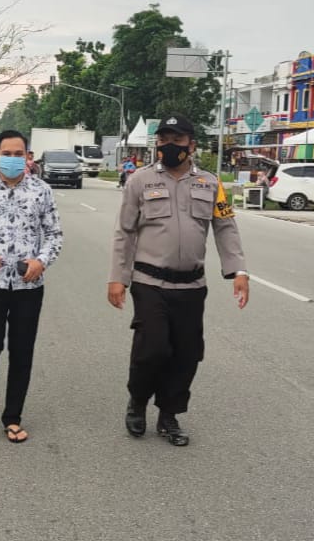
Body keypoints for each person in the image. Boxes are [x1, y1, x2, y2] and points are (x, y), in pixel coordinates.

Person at [107, 114, 249, 447]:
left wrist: (239, 271)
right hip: (149, 281)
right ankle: (138, 401)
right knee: (153, 348)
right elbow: (124, 232)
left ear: (191, 145)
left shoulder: (210, 183)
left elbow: (226, 227)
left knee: (186, 353)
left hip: (191, 286)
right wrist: (118, 278)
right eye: (163, 140)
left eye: (176, 140)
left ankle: (169, 414)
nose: (169, 146)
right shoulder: (139, 181)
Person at [0, 129, 63, 443]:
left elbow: (54, 235)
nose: (13, 159)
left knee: (22, 351)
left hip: (28, 287)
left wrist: (41, 261)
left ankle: (13, 417)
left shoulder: (42, 191)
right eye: (7, 154)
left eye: (19, 154)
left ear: (28, 157)